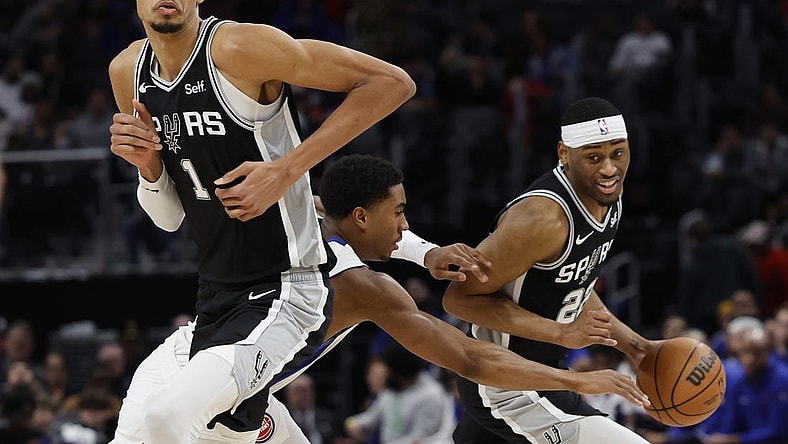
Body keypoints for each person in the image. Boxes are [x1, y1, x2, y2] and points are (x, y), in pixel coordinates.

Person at [111, 153, 648, 444]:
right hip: (193, 378)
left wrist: (426, 251)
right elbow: (470, 357)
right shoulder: (365, 289)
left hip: (242, 391)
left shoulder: (308, 218)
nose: (406, 222)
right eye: (400, 211)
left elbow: (332, 207)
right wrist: (572, 378)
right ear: (363, 218)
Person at [106, 0, 416, 442]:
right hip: (214, 298)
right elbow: (170, 218)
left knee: (166, 419)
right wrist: (149, 169)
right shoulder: (128, 72)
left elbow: (391, 82)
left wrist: (286, 170)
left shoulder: (240, 47)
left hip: (285, 288)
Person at [442, 97, 655, 444]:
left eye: (618, 153)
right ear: (564, 153)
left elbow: (576, 288)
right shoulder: (540, 219)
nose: (608, 169)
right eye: (593, 157)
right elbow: (457, 299)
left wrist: (636, 347)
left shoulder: (608, 195)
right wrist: (559, 333)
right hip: (506, 382)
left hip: (546, 372)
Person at [344, 342, 456, 444]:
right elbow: (370, 418)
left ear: (398, 372)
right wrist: (353, 423)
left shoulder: (431, 394)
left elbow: (419, 439)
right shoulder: (390, 391)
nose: (383, 375)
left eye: (386, 370)